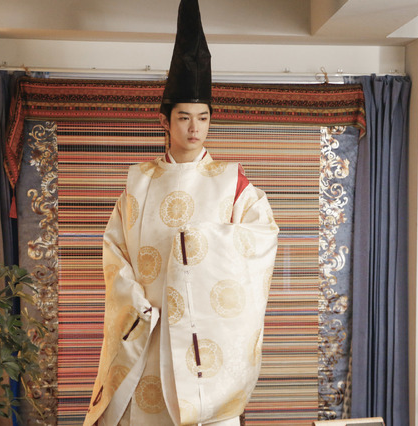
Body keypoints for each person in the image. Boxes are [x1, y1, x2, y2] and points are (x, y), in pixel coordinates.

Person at [83, 1, 279, 425]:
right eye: (185, 117)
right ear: (165, 121)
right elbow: (115, 251)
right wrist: (135, 304)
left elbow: (261, 239)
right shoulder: (139, 182)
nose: (194, 128)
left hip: (201, 334)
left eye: (203, 118)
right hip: (147, 327)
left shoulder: (232, 181)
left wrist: (200, 244)